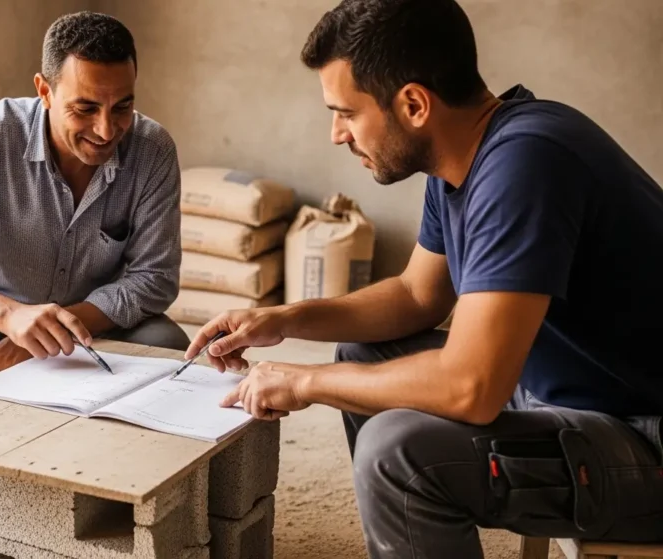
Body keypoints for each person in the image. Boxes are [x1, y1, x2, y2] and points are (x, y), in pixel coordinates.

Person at [186, 0, 663, 557]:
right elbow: (417, 296)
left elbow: (472, 387)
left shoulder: (527, 163)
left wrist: (302, 383)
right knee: (364, 353)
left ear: (413, 103)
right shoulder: (466, 156)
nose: (337, 133)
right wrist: (281, 321)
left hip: (643, 432)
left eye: (346, 112)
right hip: (564, 393)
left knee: (399, 455)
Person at [0, 11, 189, 559]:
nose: (107, 129)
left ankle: (117, 510)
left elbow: (154, 278)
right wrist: (10, 319)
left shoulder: (153, 149)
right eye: (85, 108)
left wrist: (52, 332)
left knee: (170, 348)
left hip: (93, 334)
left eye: (123, 106)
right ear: (44, 89)